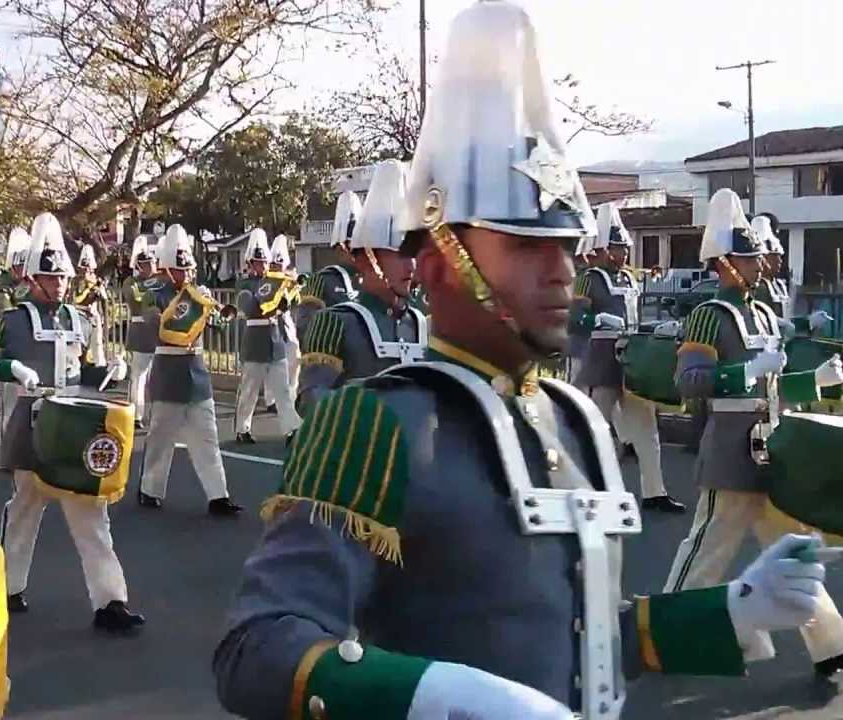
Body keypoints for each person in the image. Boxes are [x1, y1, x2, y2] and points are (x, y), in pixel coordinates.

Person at [214, 4, 834, 718]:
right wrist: (430, 694)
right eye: (526, 246)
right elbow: (255, 649)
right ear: (442, 263)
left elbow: (583, 635)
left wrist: (734, 609)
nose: (561, 268)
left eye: (565, 245)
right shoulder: (372, 423)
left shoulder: (574, 418)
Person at [664, 187, 843, 678]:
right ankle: (666, 631)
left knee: (795, 555)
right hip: (730, 449)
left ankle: (831, 642)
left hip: (772, 444)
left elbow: (774, 383)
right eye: (747, 257)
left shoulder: (763, 313)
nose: (758, 264)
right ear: (724, 263)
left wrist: (815, 380)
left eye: (756, 255)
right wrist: (744, 372)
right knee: (707, 550)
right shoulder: (708, 315)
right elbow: (688, 382)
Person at [0, 212, 143, 631]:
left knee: (92, 515)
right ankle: (7, 588)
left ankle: (110, 600)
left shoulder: (80, 319)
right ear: (32, 280)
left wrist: (107, 372)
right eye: (51, 277)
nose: (59, 284)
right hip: (32, 423)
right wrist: (12, 369)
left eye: (63, 277)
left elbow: (83, 373)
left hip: (75, 426)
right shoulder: (11, 319)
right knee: (25, 509)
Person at [568, 203, 685, 513]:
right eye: (617, 247)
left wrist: (655, 327)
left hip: (632, 360)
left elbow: (634, 318)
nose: (622, 253)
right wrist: (599, 320)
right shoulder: (589, 278)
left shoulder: (629, 279)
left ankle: (654, 492)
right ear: (603, 248)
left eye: (623, 247)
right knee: (595, 428)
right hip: (600, 361)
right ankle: (588, 490)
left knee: (647, 430)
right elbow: (575, 320)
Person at [296, 159, 428, 415]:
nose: (411, 267)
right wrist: (365, 410)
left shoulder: (422, 323)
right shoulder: (334, 322)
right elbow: (309, 399)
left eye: (414, 255)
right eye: (400, 255)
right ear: (368, 256)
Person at [136, 225, 243, 515]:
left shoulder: (197, 293)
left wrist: (214, 311)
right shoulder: (153, 293)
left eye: (189, 269)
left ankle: (218, 495)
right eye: (181, 269)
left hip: (196, 371)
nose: (187, 274)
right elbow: (156, 325)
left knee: (208, 436)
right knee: (161, 436)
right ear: (168, 269)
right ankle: (150, 488)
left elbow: (218, 326)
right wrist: (187, 303)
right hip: (169, 368)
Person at [233, 229, 301, 443]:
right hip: (254, 340)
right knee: (249, 391)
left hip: (275, 339)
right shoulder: (244, 283)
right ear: (250, 263)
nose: (261, 266)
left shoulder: (274, 280)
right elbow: (249, 307)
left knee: (282, 391)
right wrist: (270, 301)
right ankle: (242, 429)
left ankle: (292, 429)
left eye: (264, 262)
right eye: (257, 262)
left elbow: (293, 301)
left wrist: (288, 295)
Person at [0, 227, 34, 452]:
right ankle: (8, 449)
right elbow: (3, 319)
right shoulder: (3, 291)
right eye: (19, 266)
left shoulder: (32, 286)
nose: (22, 271)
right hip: (13, 350)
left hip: (35, 348)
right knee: (12, 404)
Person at [750, 214, 831, 336]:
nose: (780, 261)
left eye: (780, 257)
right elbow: (762, 321)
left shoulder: (778, 284)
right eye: (775, 257)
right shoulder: (757, 288)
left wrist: (808, 321)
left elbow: (787, 321)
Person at [121, 235, 162, 429]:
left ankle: (156, 415)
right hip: (140, 331)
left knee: (157, 377)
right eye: (147, 264)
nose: (152, 266)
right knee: (138, 376)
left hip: (158, 331)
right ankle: (136, 414)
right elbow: (135, 298)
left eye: (152, 262)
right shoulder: (131, 282)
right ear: (139, 266)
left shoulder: (159, 280)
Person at [263, 234, 302, 407]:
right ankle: (271, 399)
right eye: (274, 264)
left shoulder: (288, 280)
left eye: (280, 264)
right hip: (271, 322)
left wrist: (296, 287)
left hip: (286, 324)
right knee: (272, 362)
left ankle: (291, 395)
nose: (277, 267)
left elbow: (296, 302)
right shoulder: (267, 281)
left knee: (294, 354)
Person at [71, 243, 109, 368]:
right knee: (79, 345)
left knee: (97, 343)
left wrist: (104, 317)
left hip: (93, 314)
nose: (86, 269)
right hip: (78, 314)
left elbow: (104, 300)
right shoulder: (76, 281)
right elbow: (76, 298)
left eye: (88, 267)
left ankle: (100, 367)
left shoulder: (98, 281)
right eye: (84, 267)